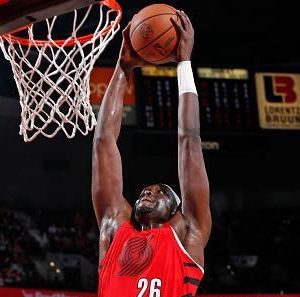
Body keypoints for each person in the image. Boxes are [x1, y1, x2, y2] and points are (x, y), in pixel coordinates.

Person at [92, 10, 211, 297]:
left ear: (175, 211)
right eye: (148, 189)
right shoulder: (114, 227)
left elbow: (189, 141)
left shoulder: (186, 233)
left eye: (161, 192)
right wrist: (123, 68)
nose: (149, 191)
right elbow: (104, 140)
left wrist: (184, 64)